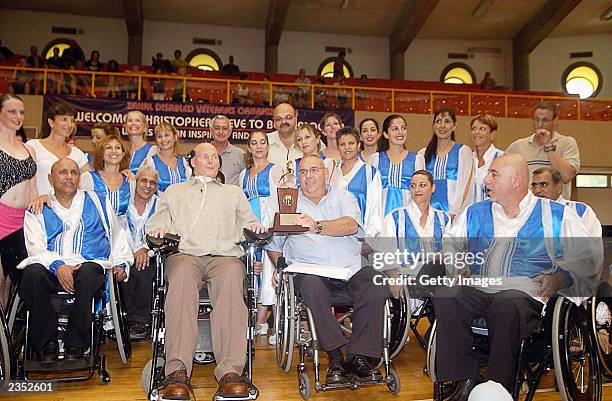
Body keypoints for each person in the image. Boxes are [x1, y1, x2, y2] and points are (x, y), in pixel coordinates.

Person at [433, 153, 602, 399]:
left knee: (507, 303)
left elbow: (589, 256)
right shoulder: (475, 213)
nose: (486, 180)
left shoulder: (555, 216)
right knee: (446, 295)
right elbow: (450, 244)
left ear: (516, 181)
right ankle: (461, 380)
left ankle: (497, 387)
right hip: (481, 287)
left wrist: (561, 278)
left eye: (494, 174)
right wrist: (459, 267)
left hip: (525, 293)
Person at [146, 142, 264, 400]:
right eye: (204, 156)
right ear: (192, 162)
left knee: (234, 277)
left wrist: (257, 226)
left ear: (220, 164)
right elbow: (157, 225)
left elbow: (249, 223)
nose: (211, 160)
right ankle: (176, 373)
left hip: (224, 256)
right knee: (180, 279)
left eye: (215, 157)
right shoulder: (174, 192)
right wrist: (158, 230)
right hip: (186, 255)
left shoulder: (233, 193)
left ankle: (230, 372)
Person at [267, 154, 389, 385]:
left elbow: (351, 224)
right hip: (310, 270)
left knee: (375, 280)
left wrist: (317, 226)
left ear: (325, 172)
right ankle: (336, 356)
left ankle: (360, 358)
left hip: (348, 268)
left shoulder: (343, 196)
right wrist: (280, 267)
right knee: (311, 285)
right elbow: (274, 245)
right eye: (303, 172)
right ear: (298, 176)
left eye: (314, 170)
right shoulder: (288, 203)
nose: (309, 176)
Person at [17, 158, 133, 362]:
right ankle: (47, 344)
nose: (69, 177)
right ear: (51, 179)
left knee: (89, 273)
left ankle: (76, 341)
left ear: (80, 178)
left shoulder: (98, 201)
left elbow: (117, 235)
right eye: (63, 172)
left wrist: (122, 262)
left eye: (74, 172)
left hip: (87, 266)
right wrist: (58, 265)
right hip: (50, 266)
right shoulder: (39, 207)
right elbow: (34, 247)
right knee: (32, 274)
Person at [238, 131, 284, 342]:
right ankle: (259, 320)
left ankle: (277, 323)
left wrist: (273, 229)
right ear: (249, 146)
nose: (258, 146)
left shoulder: (276, 170)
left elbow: (280, 200)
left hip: (268, 224)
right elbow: (241, 203)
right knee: (254, 272)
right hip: (250, 225)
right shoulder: (243, 174)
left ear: (268, 145)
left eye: (262, 142)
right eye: (254, 142)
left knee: (271, 272)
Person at [380, 170, 450, 297]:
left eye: (422, 185)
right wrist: (393, 278)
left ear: (433, 188)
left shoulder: (444, 218)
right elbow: (386, 255)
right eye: (413, 186)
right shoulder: (395, 217)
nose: (417, 189)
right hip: (407, 278)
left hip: (437, 277)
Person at [0, 94, 37, 308]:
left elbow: (33, 189)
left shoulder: (27, 147)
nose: (18, 116)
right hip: (2, 217)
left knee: (12, 284)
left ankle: (7, 336)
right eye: (12, 111)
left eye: (21, 112)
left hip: (23, 222)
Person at [505, 102, 580, 200]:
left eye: (545, 120)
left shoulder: (567, 143)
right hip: (527, 208)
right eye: (537, 120)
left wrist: (548, 145)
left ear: (555, 121)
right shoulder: (518, 146)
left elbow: (566, 176)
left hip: (555, 208)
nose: (540, 124)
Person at [121, 165, 159, 339]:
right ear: (135, 181)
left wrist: (145, 248)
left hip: (150, 253)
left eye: (153, 182)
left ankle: (139, 322)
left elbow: (162, 232)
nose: (148, 185)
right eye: (144, 180)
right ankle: (120, 321)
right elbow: (116, 230)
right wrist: (130, 252)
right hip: (123, 251)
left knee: (143, 269)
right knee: (123, 270)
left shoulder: (160, 205)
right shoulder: (123, 201)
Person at [416, 108, 472, 216]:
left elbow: (466, 186)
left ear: (454, 126)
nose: (442, 126)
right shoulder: (423, 154)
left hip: (453, 214)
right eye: (438, 121)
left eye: (447, 121)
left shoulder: (463, 151)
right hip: (428, 214)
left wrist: (455, 213)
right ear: (433, 126)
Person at [28, 102, 90, 196]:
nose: (69, 124)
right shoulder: (33, 146)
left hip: (68, 209)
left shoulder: (77, 154)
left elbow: (90, 181)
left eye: (72, 121)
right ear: (51, 122)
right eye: (64, 119)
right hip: (39, 207)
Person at [330, 127, 382, 237]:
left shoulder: (370, 173)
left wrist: (370, 238)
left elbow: (375, 208)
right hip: (333, 234)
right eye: (342, 144)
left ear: (358, 145)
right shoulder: (332, 170)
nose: (347, 147)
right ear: (338, 147)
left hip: (359, 236)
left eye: (351, 143)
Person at [369, 114, 419, 217]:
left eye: (403, 128)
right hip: (381, 219)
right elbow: (370, 194)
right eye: (395, 129)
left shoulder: (417, 159)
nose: (400, 132)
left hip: (409, 218)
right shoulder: (376, 159)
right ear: (386, 134)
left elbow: (421, 194)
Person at [531, 167, 601, 237]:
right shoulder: (528, 213)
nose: (537, 190)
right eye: (535, 186)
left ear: (558, 188)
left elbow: (593, 243)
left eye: (544, 185)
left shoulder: (580, 210)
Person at [80, 134, 131, 216]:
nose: (113, 151)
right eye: (108, 148)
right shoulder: (88, 178)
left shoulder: (129, 181)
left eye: (118, 148)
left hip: (124, 228)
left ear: (123, 154)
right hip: (96, 228)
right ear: (101, 153)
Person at [142, 123, 191, 192]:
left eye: (167, 135)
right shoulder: (150, 162)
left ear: (175, 137)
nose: (163, 139)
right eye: (159, 136)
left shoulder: (183, 162)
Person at [470, 114, 504, 204]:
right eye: (474, 129)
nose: (477, 132)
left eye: (482, 129)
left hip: (495, 212)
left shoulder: (502, 158)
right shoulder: (467, 159)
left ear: (492, 133)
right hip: (470, 213)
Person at [210, 115, 245, 186]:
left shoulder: (240, 154)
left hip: (233, 196)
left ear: (230, 131)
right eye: (217, 128)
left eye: (225, 128)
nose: (221, 132)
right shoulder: (203, 153)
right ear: (211, 131)